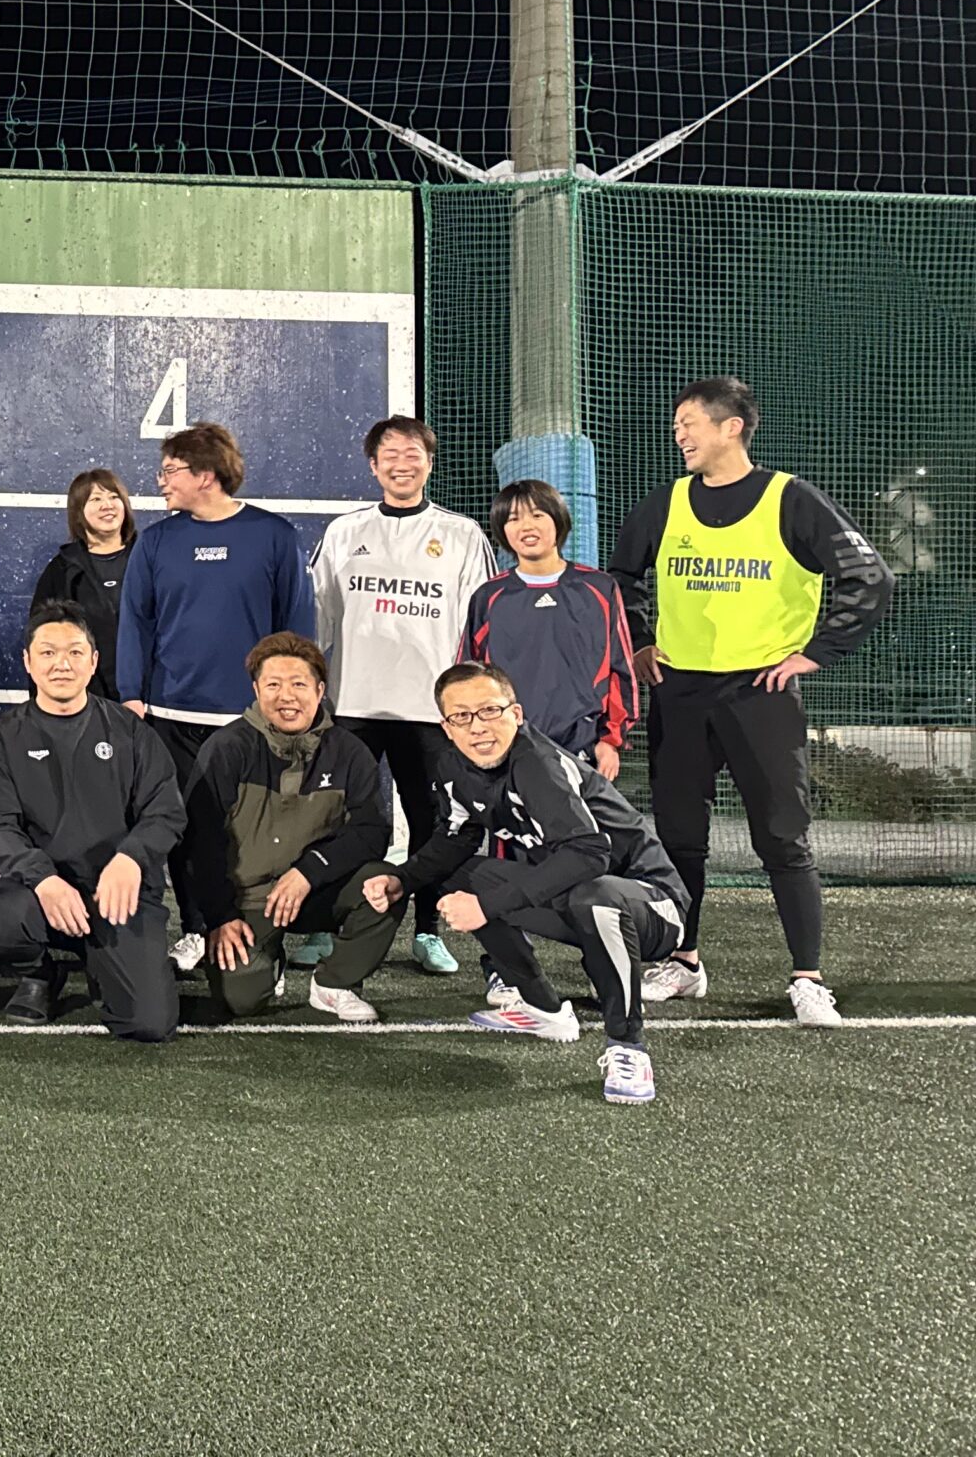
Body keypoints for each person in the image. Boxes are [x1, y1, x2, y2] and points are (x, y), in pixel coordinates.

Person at [608, 377, 893, 1024]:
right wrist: (643, 640)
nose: (679, 434)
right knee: (679, 840)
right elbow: (621, 577)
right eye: (676, 425)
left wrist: (817, 652)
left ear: (730, 426)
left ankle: (807, 979)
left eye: (689, 423)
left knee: (783, 840)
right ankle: (682, 962)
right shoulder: (667, 503)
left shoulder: (790, 499)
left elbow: (868, 576)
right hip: (680, 692)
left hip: (760, 693)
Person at [364, 663, 691, 1105]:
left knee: (596, 897)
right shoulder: (452, 764)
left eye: (489, 710)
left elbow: (590, 853)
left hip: (652, 909)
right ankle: (543, 1009)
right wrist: (402, 879)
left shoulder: (537, 763)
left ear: (515, 714)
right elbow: (456, 839)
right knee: (458, 876)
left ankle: (627, 1045)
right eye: (461, 716)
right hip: (574, 898)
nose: (477, 727)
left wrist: (487, 906)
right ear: (446, 727)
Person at [114, 422, 311, 970]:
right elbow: (136, 622)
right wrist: (132, 693)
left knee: (256, 832)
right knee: (185, 829)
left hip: (250, 720)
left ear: (205, 474)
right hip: (171, 714)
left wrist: (292, 700)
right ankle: (196, 928)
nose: (160, 481)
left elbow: (295, 627)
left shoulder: (274, 536)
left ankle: (263, 938)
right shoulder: (156, 541)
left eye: (170, 471)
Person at [306, 416, 494, 977]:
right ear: (373, 466)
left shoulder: (462, 535)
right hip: (354, 706)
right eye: (389, 454)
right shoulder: (344, 533)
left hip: (429, 712)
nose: (401, 464)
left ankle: (428, 931)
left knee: (433, 822)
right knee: (337, 819)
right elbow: (318, 621)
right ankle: (322, 924)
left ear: (429, 463)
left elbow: (478, 627)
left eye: (413, 453)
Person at [0, 601, 188, 1041]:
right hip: (44, 892)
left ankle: (105, 962)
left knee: (148, 1024)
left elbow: (165, 811)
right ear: (27, 662)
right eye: (48, 653)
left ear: (93, 661)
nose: (62, 664)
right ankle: (40, 972)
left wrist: (131, 858)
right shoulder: (3, 738)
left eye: (74, 652)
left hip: (117, 894)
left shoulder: (129, 731)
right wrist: (43, 879)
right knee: (1, 920)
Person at [183, 633, 402, 1022]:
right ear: (256, 690)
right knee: (241, 1000)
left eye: (299, 684)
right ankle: (268, 958)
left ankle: (335, 983)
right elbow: (200, 841)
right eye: (273, 685)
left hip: (316, 888)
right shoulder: (226, 748)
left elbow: (372, 831)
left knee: (384, 884)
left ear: (320, 690)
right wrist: (219, 916)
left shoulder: (350, 751)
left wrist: (309, 870)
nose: (287, 696)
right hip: (247, 899)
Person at [461, 479, 637, 774]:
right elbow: (468, 676)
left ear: (558, 520)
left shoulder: (598, 588)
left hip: (583, 751)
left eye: (537, 515)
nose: (526, 526)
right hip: (508, 748)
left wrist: (610, 740)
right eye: (513, 519)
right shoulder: (488, 597)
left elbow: (621, 669)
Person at [30, 467, 138, 700]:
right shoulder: (62, 570)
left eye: (114, 497)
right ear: (79, 512)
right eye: (96, 499)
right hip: (86, 700)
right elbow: (40, 639)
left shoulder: (150, 559)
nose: (107, 505)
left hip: (150, 699)